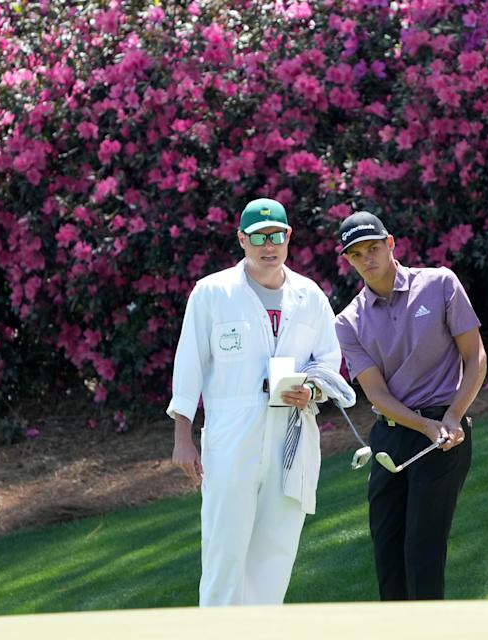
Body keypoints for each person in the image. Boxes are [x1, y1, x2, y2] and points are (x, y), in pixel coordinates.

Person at [167, 197, 347, 606]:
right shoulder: (212, 293)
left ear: (289, 237)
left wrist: (314, 389)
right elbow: (189, 364)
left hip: (291, 438)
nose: (270, 246)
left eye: (277, 236)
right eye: (259, 237)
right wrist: (183, 436)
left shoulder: (309, 295)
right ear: (242, 241)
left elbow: (329, 360)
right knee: (224, 552)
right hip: (231, 442)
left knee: (275, 553)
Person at [333, 211, 487, 600]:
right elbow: (378, 394)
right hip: (394, 432)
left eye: (373, 248)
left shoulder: (439, 284)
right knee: (387, 551)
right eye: (356, 254)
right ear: (348, 260)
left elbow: (476, 357)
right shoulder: (348, 321)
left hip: (444, 429)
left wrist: (453, 416)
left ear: (390, 243)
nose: (367, 258)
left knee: (422, 550)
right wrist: (421, 426)